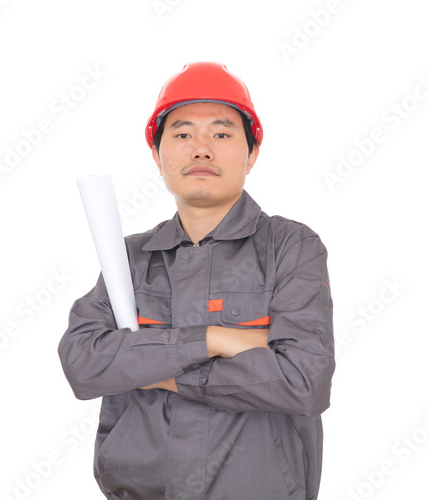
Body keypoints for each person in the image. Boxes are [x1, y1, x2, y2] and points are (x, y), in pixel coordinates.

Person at [58, 62, 335, 500]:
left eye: (222, 134)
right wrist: (215, 338)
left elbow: (304, 382)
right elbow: (83, 365)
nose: (201, 149)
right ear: (157, 155)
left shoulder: (291, 246)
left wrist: (156, 369)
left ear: (252, 154)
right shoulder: (128, 257)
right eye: (183, 134)